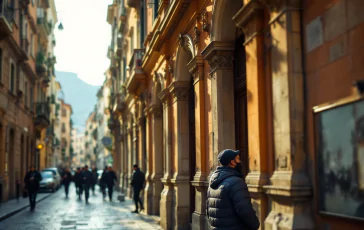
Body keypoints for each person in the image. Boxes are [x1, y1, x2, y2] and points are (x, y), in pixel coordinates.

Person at [206, 149, 260, 230]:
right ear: (232, 162)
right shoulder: (236, 182)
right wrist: (255, 224)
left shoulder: (213, 181)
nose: (240, 161)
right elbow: (245, 210)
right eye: (237, 159)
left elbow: (208, 209)